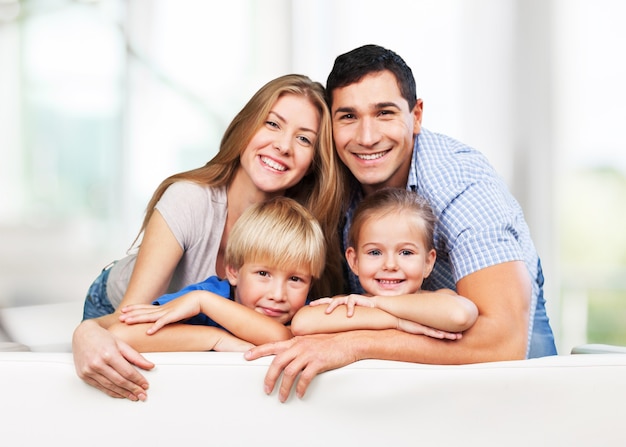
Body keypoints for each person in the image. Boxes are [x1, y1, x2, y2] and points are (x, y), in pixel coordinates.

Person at [245, 44, 558, 403]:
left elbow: (503, 341)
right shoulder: (331, 175)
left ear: (417, 115)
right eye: (348, 117)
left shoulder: (461, 183)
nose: (366, 137)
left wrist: (355, 344)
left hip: (495, 341)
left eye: (384, 113)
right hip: (394, 348)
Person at [72, 74, 345, 401]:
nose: (283, 146)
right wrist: (86, 331)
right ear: (246, 127)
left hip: (199, 326)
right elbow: (126, 323)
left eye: (304, 140)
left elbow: (284, 334)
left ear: (313, 162)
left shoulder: (299, 229)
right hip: (119, 308)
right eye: (272, 124)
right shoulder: (189, 200)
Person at [109, 196, 326, 352]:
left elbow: (280, 337)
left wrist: (203, 302)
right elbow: (120, 334)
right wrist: (216, 339)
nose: (278, 295)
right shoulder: (206, 295)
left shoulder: (305, 314)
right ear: (233, 271)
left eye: (295, 279)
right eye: (263, 273)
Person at [290, 187, 478, 339]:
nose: (390, 265)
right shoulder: (349, 304)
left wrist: (376, 304)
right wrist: (397, 322)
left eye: (406, 252)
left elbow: (459, 315)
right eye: (375, 252)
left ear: (428, 262)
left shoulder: (439, 298)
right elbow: (302, 323)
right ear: (354, 261)